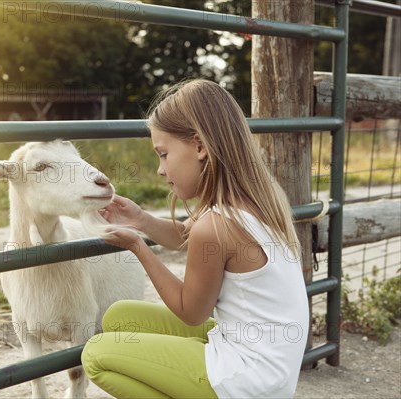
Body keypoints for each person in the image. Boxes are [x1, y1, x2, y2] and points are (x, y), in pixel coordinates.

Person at [80, 79, 310, 399]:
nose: (160, 170)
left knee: (96, 355)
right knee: (119, 318)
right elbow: (188, 236)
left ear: (200, 147)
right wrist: (141, 220)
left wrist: (137, 246)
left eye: (163, 154)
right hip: (269, 370)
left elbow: (191, 313)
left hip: (245, 380)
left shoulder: (215, 225)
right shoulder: (257, 201)